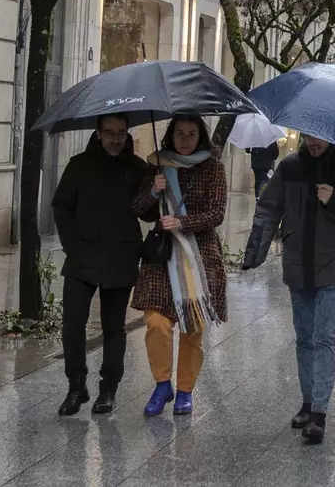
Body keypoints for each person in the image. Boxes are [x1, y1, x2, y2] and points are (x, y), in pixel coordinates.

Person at [242, 135, 335, 445]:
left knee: (323, 336)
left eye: (320, 138)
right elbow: (268, 209)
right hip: (298, 263)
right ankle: (307, 402)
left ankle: (319, 414)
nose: (314, 143)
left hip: (333, 264)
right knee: (303, 337)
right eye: (310, 136)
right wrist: (254, 254)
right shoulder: (290, 167)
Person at [51, 112, 147, 416]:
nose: (115, 139)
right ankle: (76, 386)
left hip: (121, 257)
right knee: (72, 324)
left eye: (121, 132)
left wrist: (156, 190)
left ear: (127, 133)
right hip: (83, 258)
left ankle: (109, 390)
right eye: (109, 132)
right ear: (98, 133)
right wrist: (72, 246)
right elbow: (61, 206)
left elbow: (148, 214)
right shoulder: (79, 165)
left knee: (114, 327)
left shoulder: (138, 168)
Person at [132, 114, 228, 417]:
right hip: (162, 254)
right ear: (170, 136)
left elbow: (217, 213)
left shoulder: (212, 167)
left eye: (191, 134)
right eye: (180, 134)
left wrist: (183, 222)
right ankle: (163, 384)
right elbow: (139, 209)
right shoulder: (157, 164)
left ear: (200, 137)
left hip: (199, 255)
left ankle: (185, 390)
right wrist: (153, 192)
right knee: (156, 322)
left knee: (193, 325)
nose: (185, 140)